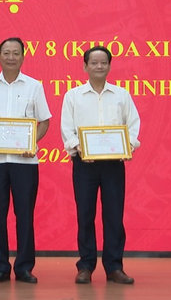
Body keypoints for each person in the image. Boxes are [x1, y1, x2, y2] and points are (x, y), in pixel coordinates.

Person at [60, 45, 140, 285]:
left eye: (103, 62)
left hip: (113, 164)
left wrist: (128, 146)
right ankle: (85, 266)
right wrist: (79, 148)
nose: (99, 66)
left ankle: (114, 267)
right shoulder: (73, 96)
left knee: (114, 215)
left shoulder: (121, 95)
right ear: (85, 66)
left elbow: (133, 124)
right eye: (94, 62)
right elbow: (67, 128)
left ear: (110, 66)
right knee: (85, 214)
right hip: (84, 163)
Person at [0, 37, 52, 284]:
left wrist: (33, 143)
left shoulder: (34, 86)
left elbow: (44, 121)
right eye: (6, 53)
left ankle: (24, 267)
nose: (11, 57)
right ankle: (0, 267)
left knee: (25, 215)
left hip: (25, 163)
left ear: (23, 57)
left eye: (16, 53)